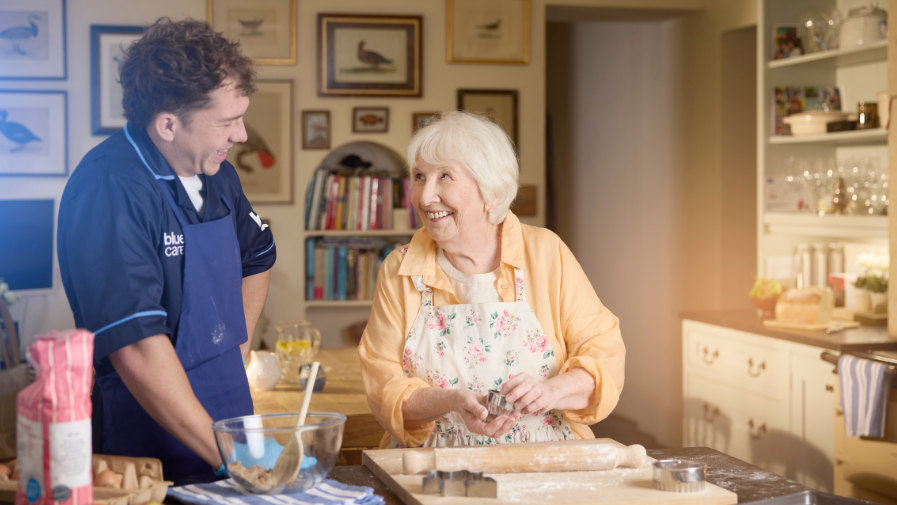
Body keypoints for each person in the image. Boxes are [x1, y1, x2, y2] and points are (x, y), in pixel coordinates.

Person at [57, 18, 275, 484]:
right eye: (226, 121)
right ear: (169, 124)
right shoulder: (111, 189)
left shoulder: (219, 175)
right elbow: (134, 344)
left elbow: (257, 258)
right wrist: (230, 455)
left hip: (231, 411)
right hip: (146, 438)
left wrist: (236, 350)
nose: (241, 135)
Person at [359, 111, 625, 448]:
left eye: (445, 177)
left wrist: (549, 391)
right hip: (433, 464)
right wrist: (450, 401)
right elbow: (384, 389)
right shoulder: (399, 269)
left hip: (545, 456)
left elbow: (606, 356)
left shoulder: (546, 253)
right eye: (420, 176)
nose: (425, 197)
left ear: (491, 193)